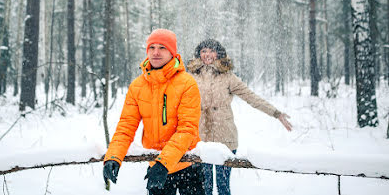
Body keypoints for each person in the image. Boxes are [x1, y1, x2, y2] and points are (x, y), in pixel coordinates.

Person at [103, 29, 205, 195]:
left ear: (172, 52)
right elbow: (126, 126)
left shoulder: (187, 83)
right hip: (155, 165)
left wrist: (164, 163)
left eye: (162, 48)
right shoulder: (137, 86)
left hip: (188, 165)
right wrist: (113, 157)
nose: (156, 52)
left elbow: (187, 129)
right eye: (152, 47)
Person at [187, 39, 293, 195]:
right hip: (200, 138)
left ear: (218, 53)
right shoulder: (191, 76)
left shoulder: (228, 76)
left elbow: (250, 97)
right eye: (203, 51)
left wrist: (275, 113)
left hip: (225, 138)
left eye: (211, 51)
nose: (207, 55)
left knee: (223, 187)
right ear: (198, 54)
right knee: (204, 187)